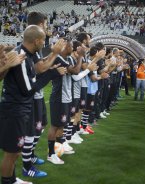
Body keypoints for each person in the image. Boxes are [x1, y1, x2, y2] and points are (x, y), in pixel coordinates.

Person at [0, 25, 63, 184]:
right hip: (14, 109)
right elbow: (28, 90)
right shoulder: (21, 56)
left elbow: (33, 79)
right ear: (36, 41)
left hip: (20, 108)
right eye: (43, 40)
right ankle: (8, 181)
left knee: (16, 150)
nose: (44, 43)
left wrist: (49, 71)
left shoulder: (27, 55)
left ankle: (13, 179)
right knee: (11, 152)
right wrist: (51, 73)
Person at [47, 38, 86, 164]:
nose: (72, 49)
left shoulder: (66, 59)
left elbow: (75, 72)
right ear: (63, 48)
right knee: (55, 126)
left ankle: (60, 147)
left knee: (62, 124)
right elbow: (75, 71)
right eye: (69, 47)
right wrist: (80, 56)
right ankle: (50, 153)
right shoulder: (58, 59)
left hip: (66, 97)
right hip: (59, 98)